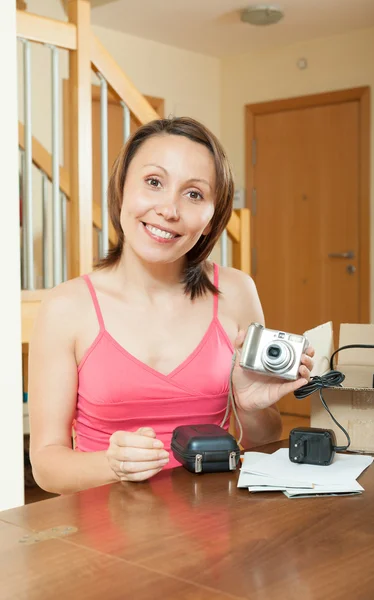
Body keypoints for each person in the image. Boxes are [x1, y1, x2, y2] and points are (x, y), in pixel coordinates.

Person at [29, 117, 314, 495]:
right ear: (121, 190)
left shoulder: (237, 292)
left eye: (194, 194)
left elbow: (263, 440)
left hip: (212, 524)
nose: (169, 209)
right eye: (153, 182)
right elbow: (47, 465)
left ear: (213, 218)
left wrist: (248, 405)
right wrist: (111, 465)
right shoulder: (65, 307)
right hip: (102, 536)